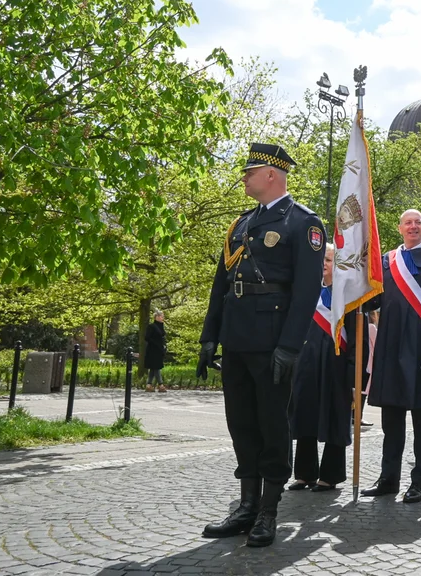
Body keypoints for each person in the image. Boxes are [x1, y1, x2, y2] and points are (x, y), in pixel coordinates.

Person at [197, 143, 325, 547]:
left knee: (272, 425)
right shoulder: (240, 224)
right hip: (236, 339)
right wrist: (209, 337)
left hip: (272, 343)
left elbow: (306, 292)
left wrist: (290, 346)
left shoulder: (303, 223)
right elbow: (222, 285)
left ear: (272, 174)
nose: (244, 177)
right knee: (241, 424)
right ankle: (246, 506)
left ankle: (268, 510)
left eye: (250, 171)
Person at [362, 210, 421, 505]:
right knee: (391, 420)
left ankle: (418, 482)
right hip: (390, 346)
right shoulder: (387, 260)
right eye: (407, 223)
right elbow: (376, 298)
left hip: (420, 350)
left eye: (417, 222)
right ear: (399, 228)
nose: (412, 226)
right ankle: (388, 479)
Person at [288, 244, 355, 493]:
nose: (323, 264)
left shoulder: (347, 296)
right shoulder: (306, 293)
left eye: (328, 259)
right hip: (306, 363)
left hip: (336, 366)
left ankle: (330, 475)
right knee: (305, 416)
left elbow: (357, 337)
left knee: (334, 417)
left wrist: (354, 371)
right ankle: (305, 474)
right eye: (321, 260)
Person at [145, 310, 167, 393]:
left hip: (159, 350)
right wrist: (156, 344)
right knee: (156, 367)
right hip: (152, 350)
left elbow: (162, 337)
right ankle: (161, 385)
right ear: (157, 317)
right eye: (161, 316)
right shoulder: (151, 326)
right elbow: (147, 337)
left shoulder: (161, 326)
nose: (163, 318)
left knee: (153, 368)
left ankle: (149, 384)